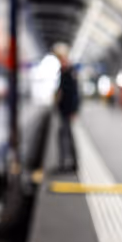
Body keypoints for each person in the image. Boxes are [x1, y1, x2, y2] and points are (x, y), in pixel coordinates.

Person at [53, 43, 80, 172]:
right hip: (64, 109)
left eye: (60, 58)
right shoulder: (64, 71)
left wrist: (74, 110)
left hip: (68, 110)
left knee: (66, 136)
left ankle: (68, 164)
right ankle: (68, 163)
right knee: (65, 135)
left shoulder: (70, 71)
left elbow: (74, 93)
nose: (60, 60)